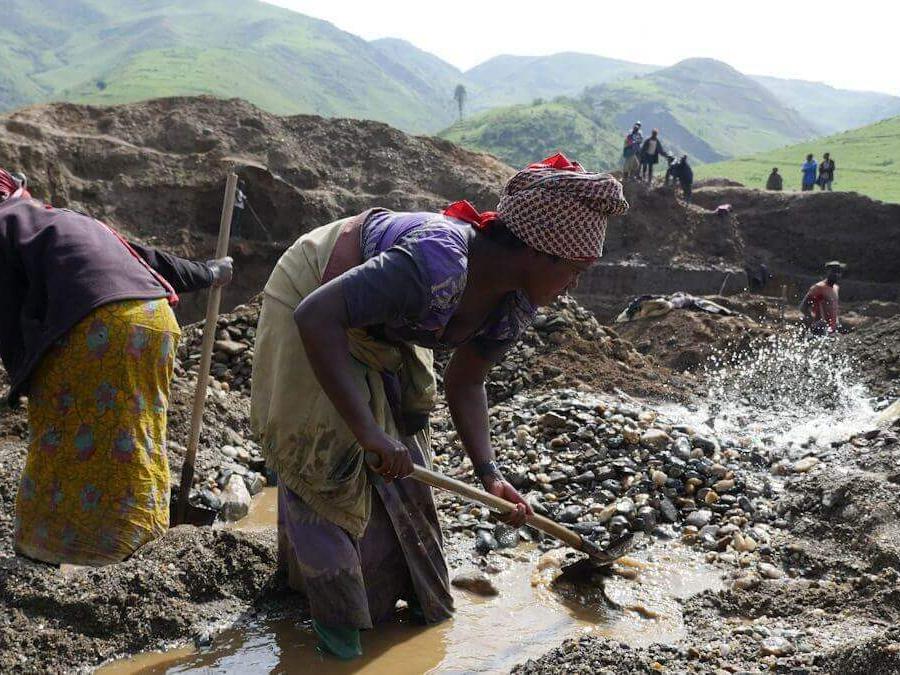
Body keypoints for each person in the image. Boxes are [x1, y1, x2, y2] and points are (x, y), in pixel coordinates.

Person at [250, 153, 628, 660]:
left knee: (405, 466)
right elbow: (317, 315)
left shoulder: (513, 303)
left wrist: (490, 475)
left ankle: (406, 615)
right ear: (540, 253)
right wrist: (365, 431)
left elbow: (467, 381)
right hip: (314, 296)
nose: (574, 286)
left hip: (384, 328)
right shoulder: (436, 260)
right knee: (329, 463)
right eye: (575, 271)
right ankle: (336, 645)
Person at [0, 168, 234, 566]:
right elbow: (149, 260)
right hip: (155, 320)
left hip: (94, 330)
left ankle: (49, 550)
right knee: (133, 437)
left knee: (58, 433)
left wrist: (21, 378)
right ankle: (136, 546)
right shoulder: (65, 221)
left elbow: (5, 315)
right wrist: (210, 273)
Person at [800, 261, 845, 334]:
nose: (836, 274)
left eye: (839, 272)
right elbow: (803, 307)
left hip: (831, 330)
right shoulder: (819, 288)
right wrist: (814, 321)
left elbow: (833, 308)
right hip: (819, 329)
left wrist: (836, 322)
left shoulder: (836, 288)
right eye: (834, 271)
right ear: (828, 272)